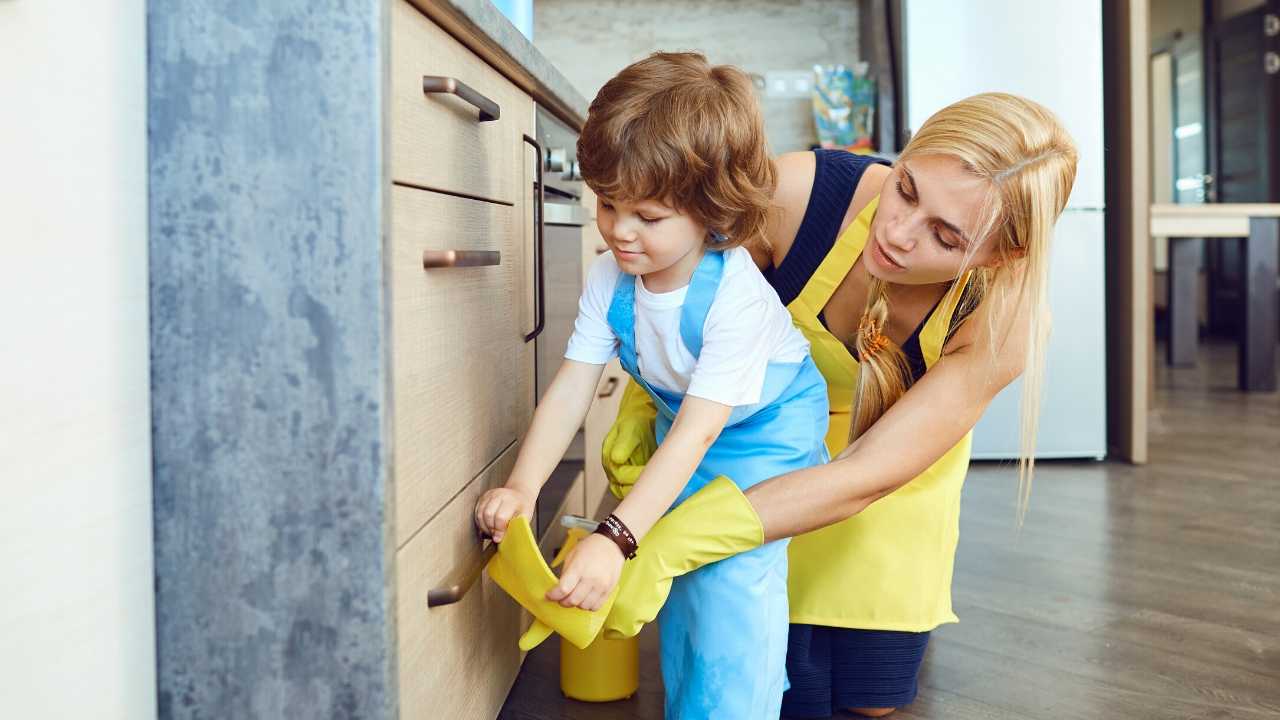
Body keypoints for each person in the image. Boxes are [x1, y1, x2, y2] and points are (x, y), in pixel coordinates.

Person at [600, 91, 1078, 718]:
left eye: (946, 236)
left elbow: (861, 478)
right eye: (906, 189)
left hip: (883, 501)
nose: (899, 234)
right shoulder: (798, 199)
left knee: (867, 705)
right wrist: (645, 401)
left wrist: (676, 539)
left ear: (1002, 255)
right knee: (753, 686)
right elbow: (678, 298)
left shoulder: (1006, 320)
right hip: (745, 465)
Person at [474, 52, 829, 720]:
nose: (619, 231)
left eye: (649, 216)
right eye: (607, 204)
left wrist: (615, 535)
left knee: (729, 588)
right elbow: (572, 387)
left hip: (766, 440)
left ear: (711, 211)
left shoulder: (736, 301)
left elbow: (701, 432)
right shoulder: (612, 276)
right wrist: (522, 487)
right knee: (680, 584)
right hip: (687, 428)